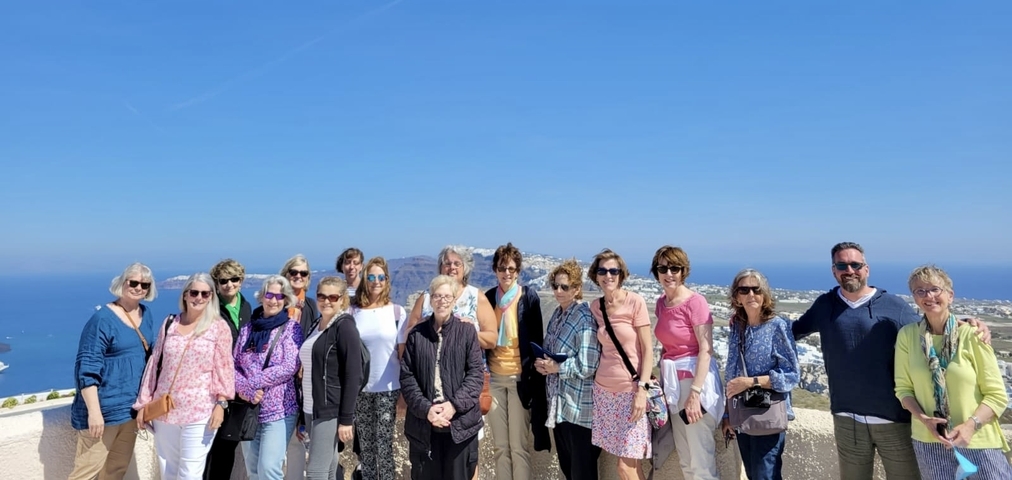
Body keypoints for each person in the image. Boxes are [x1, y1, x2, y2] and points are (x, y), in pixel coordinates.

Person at [791, 241, 990, 480]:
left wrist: (966, 322)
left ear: (867, 269)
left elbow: (928, 327)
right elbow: (792, 332)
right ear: (834, 271)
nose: (849, 270)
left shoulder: (892, 305)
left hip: (894, 419)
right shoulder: (824, 305)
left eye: (855, 264)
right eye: (842, 265)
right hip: (846, 418)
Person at [893, 265, 1011, 479]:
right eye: (920, 291)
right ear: (915, 298)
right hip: (929, 441)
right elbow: (903, 389)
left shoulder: (973, 334)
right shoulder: (907, 336)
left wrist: (969, 426)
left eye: (935, 289)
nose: (928, 296)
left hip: (977, 439)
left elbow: (997, 395)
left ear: (950, 295)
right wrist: (924, 420)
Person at [407, 245, 497, 479]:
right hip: (427, 413)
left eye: (457, 263)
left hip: (461, 407)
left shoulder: (472, 304)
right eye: (448, 262)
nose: (452, 266)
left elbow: (481, 360)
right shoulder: (420, 327)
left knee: (464, 468)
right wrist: (427, 408)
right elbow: (409, 368)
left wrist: (463, 335)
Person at [134, 273, 235, 480]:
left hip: (199, 411)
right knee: (168, 468)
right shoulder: (170, 323)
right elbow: (155, 364)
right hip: (166, 409)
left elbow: (224, 368)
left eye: (205, 294)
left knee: (190, 473)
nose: (199, 298)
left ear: (211, 297)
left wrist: (221, 404)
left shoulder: (218, 327)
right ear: (186, 295)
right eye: (194, 292)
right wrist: (143, 403)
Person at [69, 263, 159, 480]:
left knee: (116, 472)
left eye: (144, 284)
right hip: (104, 411)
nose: (138, 288)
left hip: (130, 411)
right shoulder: (102, 320)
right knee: (85, 473)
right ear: (123, 283)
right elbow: (87, 367)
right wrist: (94, 412)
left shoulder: (145, 315)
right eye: (134, 282)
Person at [650, 246, 723, 480]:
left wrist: (695, 393)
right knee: (685, 459)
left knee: (702, 462)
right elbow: (666, 346)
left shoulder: (696, 302)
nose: (668, 273)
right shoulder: (661, 303)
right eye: (663, 268)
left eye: (674, 268)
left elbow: (706, 350)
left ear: (683, 271)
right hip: (673, 386)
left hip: (693, 383)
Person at [720, 269, 800, 480]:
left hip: (768, 415)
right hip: (742, 414)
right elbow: (731, 372)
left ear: (764, 294)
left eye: (756, 289)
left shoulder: (777, 326)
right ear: (736, 296)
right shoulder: (737, 326)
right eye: (744, 290)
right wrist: (727, 415)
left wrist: (750, 382)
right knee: (753, 474)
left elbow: (791, 375)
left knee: (766, 474)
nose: (751, 295)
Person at [483, 242, 549, 480]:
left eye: (511, 268)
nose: (506, 273)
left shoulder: (528, 297)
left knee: (519, 447)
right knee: (500, 447)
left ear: (518, 271)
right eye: (502, 267)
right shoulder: (489, 298)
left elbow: (536, 341)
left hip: (520, 380)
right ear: (495, 269)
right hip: (495, 380)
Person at [588, 249, 654, 480]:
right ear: (596, 276)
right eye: (603, 271)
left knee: (624, 468)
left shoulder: (635, 302)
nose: (608, 275)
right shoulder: (595, 307)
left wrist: (642, 391)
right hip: (604, 393)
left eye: (613, 270)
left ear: (621, 274)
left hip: (630, 393)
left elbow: (648, 351)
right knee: (632, 466)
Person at [534, 259, 602, 480]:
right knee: (568, 469)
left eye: (565, 286)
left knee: (582, 472)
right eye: (555, 286)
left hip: (579, 411)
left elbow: (589, 364)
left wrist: (557, 368)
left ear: (577, 289)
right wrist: (543, 364)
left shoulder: (583, 318)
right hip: (560, 407)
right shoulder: (557, 315)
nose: (559, 291)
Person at [234, 275, 304, 480]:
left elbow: (290, 365)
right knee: (253, 470)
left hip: (279, 411)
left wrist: (254, 382)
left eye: (279, 296)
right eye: (269, 294)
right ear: (261, 297)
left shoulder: (291, 329)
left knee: (269, 469)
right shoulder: (248, 329)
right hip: (250, 409)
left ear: (286, 300)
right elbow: (234, 364)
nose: (273, 300)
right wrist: (244, 389)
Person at [350, 257, 409, 480]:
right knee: (365, 447)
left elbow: (403, 355)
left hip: (389, 388)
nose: (376, 281)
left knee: (384, 447)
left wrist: (404, 392)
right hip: (361, 389)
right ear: (365, 279)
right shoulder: (352, 311)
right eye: (371, 277)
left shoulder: (396, 312)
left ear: (387, 280)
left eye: (380, 277)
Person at [300, 276, 364, 480]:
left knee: (315, 472)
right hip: (311, 406)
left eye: (333, 297)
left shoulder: (344, 326)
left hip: (329, 408)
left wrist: (346, 419)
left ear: (342, 299)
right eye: (321, 296)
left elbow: (354, 374)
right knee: (328, 469)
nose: (326, 301)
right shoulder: (317, 324)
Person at [204, 259, 253, 479]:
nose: (229, 285)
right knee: (210, 450)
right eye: (223, 281)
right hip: (215, 389)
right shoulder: (210, 308)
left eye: (234, 279)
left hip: (239, 389)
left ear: (241, 281)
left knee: (228, 446)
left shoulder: (246, 307)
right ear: (216, 283)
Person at [281, 254, 322, 338]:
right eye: (293, 272)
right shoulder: (277, 301)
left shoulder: (310, 304)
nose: (298, 276)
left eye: (303, 273)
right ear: (286, 275)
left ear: (307, 278)